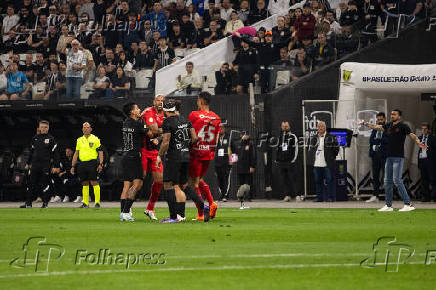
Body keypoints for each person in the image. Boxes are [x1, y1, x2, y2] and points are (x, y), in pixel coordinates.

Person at [361, 109, 427, 211]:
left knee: (397, 180)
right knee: (387, 181)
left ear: (399, 116)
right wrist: (365, 123)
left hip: (398, 157)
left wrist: (418, 141)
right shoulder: (388, 125)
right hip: (389, 157)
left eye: (394, 114)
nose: (392, 116)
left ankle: (408, 204)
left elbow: (412, 135)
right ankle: (388, 205)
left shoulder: (403, 126)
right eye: (391, 114)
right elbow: (376, 127)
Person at [157, 99, 210, 223]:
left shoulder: (167, 122)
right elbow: (195, 138)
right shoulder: (185, 120)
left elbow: (165, 142)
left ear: (165, 110)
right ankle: (204, 206)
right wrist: (186, 147)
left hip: (173, 157)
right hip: (185, 156)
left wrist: (159, 156)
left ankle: (173, 217)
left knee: (167, 185)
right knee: (185, 185)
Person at [189, 92, 221, 220]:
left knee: (194, 183)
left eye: (198, 101)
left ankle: (201, 213)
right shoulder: (216, 117)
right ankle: (212, 203)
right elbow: (217, 138)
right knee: (199, 179)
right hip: (208, 153)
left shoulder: (194, 115)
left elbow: (189, 132)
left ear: (201, 101)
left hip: (196, 152)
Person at [20, 120, 60, 208]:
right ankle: (28, 203)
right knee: (31, 184)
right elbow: (31, 152)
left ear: (48, 128)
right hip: (34, 165)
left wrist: (56, 166)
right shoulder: (35, 138)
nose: (43, 129)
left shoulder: (51, 139)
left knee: (44, 184)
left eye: (45, 127)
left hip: (45, 165)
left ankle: (45, 203)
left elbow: (56, 153)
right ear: (39, 128)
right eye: (42, 127)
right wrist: (27, 163)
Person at [120, 102, 148, 222]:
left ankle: (123, 213)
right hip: (134, 157)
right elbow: (149, 133)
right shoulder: (137, 124)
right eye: (137, 108)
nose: (139, 110)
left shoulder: (125, 122)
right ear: (132, 112)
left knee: (127, 186)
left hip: (125, 156)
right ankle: (126, 212)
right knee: (137, 184)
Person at [143, 94, 166, 221]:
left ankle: (150, 208)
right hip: (143, 150)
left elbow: (164, 132)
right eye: (158, 100)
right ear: (154, 101)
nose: (160, 102)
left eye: (163, 101)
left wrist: (158, 136)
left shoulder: (166, 114)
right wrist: (159, 131)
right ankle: (126, 207)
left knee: (159, 180)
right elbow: (154, 129)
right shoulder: (148, 111)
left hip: (155, 152)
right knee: (138, 181)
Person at [71, 122, 104, 208]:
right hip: (82, 163)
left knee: (94, 182)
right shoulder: (79, 140)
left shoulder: (95, 139)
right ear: (82, 129)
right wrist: (73, 166)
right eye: (84, 127)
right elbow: (76, 153)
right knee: (84, 183)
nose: (86, 129)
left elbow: (100, 152)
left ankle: (97, 203)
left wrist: (101, 163)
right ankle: (85, 203)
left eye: (87, 127)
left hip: (92, 163)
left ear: (91, 129)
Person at [310, 121, 339, 202]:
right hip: (317, 163)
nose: (320, 128)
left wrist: (331, 157)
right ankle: (319, 197)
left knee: (329, 180)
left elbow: (336, 149)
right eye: (319, 127)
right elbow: (312, 149)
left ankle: (331, 197)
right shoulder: (314, 137)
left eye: (322, 126)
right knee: (318, 181)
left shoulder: (331, 137)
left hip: (327, 163)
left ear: (325, 127)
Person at [366, 112, 388, 203]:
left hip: (384, 155)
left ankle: (388, 195)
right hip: (375, 155)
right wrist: (378, 140)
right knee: (375, 176)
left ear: (385, 119)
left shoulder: (387, 128)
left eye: (381, 119)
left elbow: (387, 140)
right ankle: (375, 195)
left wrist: (378, 140)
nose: (379, 121)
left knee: (386, 176)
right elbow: (371, 140)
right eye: (378, 120)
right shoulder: (374, 129)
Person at [276, 121, 299, 202]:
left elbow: (296, 149)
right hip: (282, 162)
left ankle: (297, 195)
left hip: (290, 162)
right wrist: (277, 159)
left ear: (289, 127)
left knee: (293, 178)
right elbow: (278, 148)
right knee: (284, 179)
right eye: (283, 126)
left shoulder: (293, 136)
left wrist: (293, 160)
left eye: (286, 126)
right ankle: (287, 195)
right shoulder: (280, 137)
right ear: (281, 127)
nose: (285, 128)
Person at [234, 132, 256, 208]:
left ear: (248, 136)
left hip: (248, 167)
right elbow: (235, 154)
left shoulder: (251, 144)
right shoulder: (238, 144)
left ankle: (250, 197)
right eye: (243, 135)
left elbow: (253, 155)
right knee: (241, 183)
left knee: (249, 183)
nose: (244, 136)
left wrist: (252, 166)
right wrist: (233, 161)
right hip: (240, 167)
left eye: (246, 135)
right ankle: (241, 197)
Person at [215, 122, 233, 201]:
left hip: (226, 161)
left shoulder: (229, 138)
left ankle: (226, 195)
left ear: (224, 129)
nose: (220, 130)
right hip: (218, 161)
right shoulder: (216, 138)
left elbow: (234, 150)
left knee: (226, 178)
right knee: (220, 178)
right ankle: (221, 194)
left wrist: (232, 160)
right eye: (219, 128)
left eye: (221, 128)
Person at [417, 123, 435, 202]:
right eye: (422, 129)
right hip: (422, 160)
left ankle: (434, 197)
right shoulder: (420, 138)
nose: (423, 130)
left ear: (429, 130)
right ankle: (425, 197)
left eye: (425, 129)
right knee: (424, 180)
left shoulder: (433, 138)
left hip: (430, 161)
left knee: (433, 179)